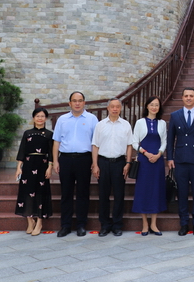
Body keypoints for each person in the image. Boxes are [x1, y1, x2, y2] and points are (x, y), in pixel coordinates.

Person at [53, 91, 98, 237]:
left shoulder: (92, 119)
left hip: (84, 159)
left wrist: (94, 162)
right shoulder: (62, 119)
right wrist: (55, 161)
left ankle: (81, 225)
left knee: (83, 193)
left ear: (84, 102)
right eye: (74, 100)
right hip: (65, 159)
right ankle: (65, 225)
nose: (77, 103)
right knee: (66, 193)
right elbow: (56, 142)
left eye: (80, 100)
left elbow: (95, 143)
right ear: (70, 103)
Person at [167, 87, 194, 236]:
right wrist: (170, 157)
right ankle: (184, 223)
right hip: (181, 160)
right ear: (182, 98)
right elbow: (170, 138)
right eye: (186, 96)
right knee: (182, 193)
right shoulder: (175, 115)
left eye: (191, 96)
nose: (189, 98)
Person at [91, 98, 132, 237]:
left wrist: (128, 163)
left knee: (119, 195)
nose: (115, 109)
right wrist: (95, 164)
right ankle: (104, 225)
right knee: (103, 195)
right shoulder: (100, 125)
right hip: (103, 162)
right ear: (108, 108)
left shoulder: (126, 125)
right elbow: (95, 145)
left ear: (121, 108)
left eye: (117, 107)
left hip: (119, 162)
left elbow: (129, 145)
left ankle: (117, 225)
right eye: (112, 106)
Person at [131, 96, 167, 236]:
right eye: (152, 104)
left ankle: (154, 224)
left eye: (156, 105)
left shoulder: (162, 123)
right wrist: (145, 153)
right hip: (144, 161)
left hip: (157, 161)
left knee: (156, 190)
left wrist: (159, 154)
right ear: (147, 106)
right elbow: (134, 142)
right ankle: (145, 224)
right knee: (143, 190)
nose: (154, 107)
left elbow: (164, 142)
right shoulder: (140, 122)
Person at [15, 107, 53, 236]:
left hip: (42, 164)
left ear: (45, 118)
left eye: (42, 116)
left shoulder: (49, 134)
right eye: (37, 116)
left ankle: (39, 222)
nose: (40, 118)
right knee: (27, 191)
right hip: (28, 165)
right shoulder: (27, 133)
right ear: (33, 118)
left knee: (41, 192)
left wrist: (50, 167)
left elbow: (51, 153)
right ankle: (30, 220)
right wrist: (18, 168)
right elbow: (22, 150)